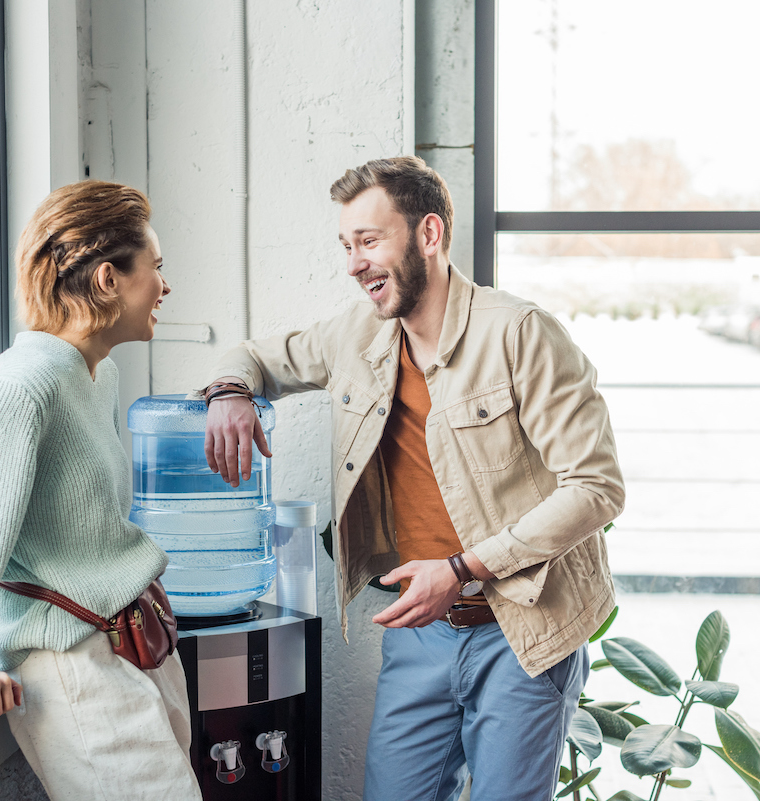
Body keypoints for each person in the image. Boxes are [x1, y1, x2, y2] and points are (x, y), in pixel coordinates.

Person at [202, 156, 625, 801]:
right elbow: (258, 356)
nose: (354, 265)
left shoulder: (519, 334)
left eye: (370, 242)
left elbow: (596, 488)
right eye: (347, 245)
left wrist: (461, 569)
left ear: (429, 234)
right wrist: (231, 391)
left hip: (522, 633)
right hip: (421, 634)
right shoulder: (358, 336)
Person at [0, 180, 202, 800]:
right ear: (108, 279)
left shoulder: (93, 374)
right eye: (155, 267)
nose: (164, 284)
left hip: (134, 647)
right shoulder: (32, 380)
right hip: (77, 670)